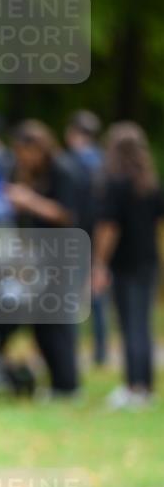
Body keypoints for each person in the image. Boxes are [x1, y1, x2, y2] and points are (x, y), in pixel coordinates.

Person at [2, 120, 84, 396]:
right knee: (40, 321)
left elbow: (68, 214)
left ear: (39, 148)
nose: (22, 158)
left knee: (58, 321)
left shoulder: (63, 171)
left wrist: (29, 200)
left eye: (25, 152)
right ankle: (56, 383)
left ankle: (68, 384)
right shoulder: (25, 173)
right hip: (36, 256)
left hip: (62, 254)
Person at [92, 122, 163, 409]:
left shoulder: (114, 183)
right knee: (143, 325)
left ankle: (133, 387)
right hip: (148, 261)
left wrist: (99, 262)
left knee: (129, 325)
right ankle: (144, 386)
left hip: (124, 264)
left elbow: (109, 227)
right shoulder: (150, 184)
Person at [64, 109, 107, 364]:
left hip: (75, 234)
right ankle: (100, 352)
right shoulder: (104, 161)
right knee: (97, 295)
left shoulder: (70, 163)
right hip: (98, 235)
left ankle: (70, 350)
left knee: (69, 295)